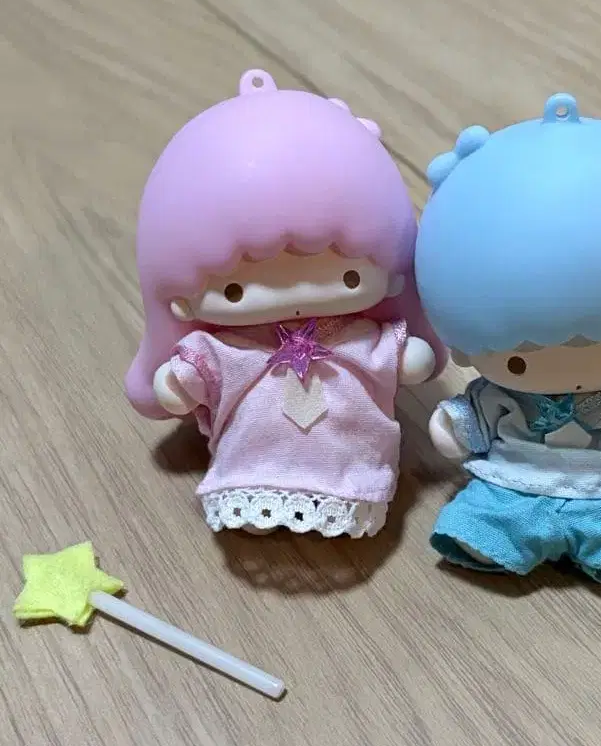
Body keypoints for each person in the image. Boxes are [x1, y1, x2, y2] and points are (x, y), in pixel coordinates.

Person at [126, 70, 442, 538]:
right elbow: (193, 374)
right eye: (235, 291)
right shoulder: (230, 348)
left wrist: (406, 353)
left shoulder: (356, 338)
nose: (293, 296)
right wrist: (179, 381)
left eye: (348, 277)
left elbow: (407, 357)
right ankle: (258, 495)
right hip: (250, 467)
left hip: (351, 468)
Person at [415, 93, 601, 582]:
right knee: (482, 518)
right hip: (510, 486)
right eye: (520, 362)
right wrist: (453, 424)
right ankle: (493, 536)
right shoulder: (500, 394)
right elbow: (473, 419)